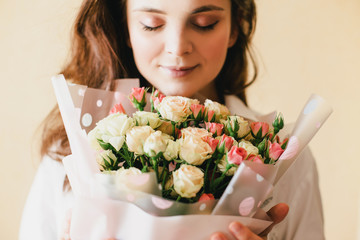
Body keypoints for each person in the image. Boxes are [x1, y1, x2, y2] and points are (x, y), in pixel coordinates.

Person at [19, 0, 324, 239]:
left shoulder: (281, 158)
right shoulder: (70, 149)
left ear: (235, 27)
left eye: (205, 23)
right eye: (151, 24)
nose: (178, 47)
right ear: (125, 27)